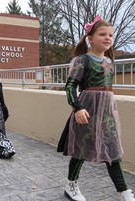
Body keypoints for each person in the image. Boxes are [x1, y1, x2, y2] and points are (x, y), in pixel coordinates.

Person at [57, 15, 135, 201]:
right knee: (81, 150)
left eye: (110, 35)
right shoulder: (82, 60)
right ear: (90, 39)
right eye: (103, 34)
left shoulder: (109, 62)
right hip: (87, 111)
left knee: (112, 150)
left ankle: (124, 191)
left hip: (107, 113)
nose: (108, 38)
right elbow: (70, 86)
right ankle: (71, 185)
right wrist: (77, 108)